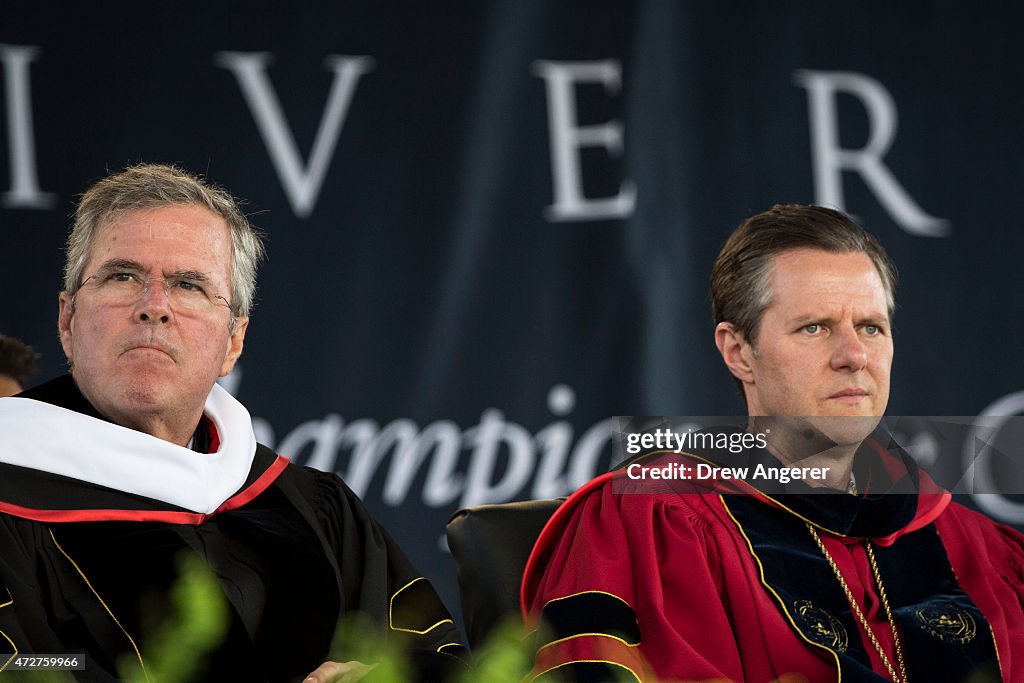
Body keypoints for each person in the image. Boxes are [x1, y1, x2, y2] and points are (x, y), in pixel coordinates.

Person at [0, 164, 465, 682]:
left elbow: (444, 660)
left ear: (234, 341)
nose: (154, 307)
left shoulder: (311, 508)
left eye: (189, 285)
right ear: (67, 320)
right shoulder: (9, 488)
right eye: (122, 276)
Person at [521, 205, 1024, 682]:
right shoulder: (657, 522)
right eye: (815, 328)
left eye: (871, 327)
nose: (854, 355)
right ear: (739, 352)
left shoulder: (975, 546)